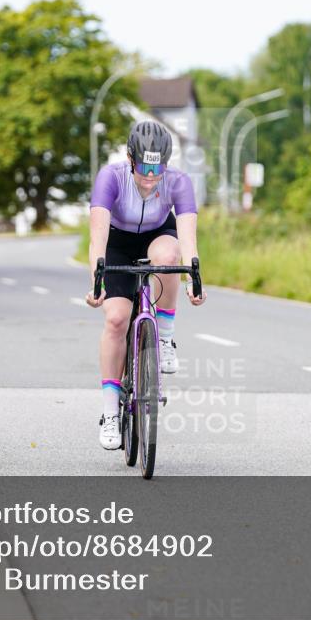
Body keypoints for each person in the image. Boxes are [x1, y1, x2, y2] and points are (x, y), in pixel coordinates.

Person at [86, 121, 207, 450]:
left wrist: (194, 278)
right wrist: (97, 281)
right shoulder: (110, 178)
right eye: (144, 166)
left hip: (157, 234)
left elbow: (187, 238)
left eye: (158, 167)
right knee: (116, 320)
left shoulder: (178, 182)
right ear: (130, 158)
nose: (151, 175)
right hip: (118, 242)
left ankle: (165, 338)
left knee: (169, 255)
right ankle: (111, 412)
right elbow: (97, 237)